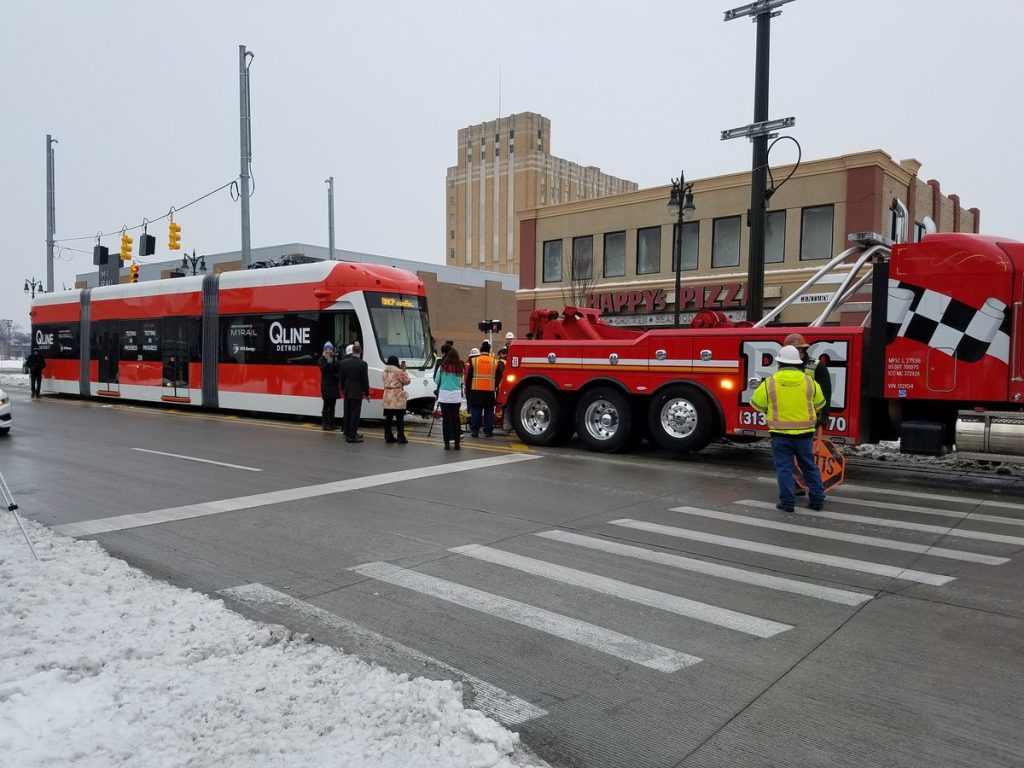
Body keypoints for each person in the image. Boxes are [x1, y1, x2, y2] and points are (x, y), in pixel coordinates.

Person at [751, 344, 827, 513]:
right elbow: (820, 404)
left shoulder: (770, 383)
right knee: (809, 466)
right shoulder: (810, 382)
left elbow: (756, 403)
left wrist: (770, 410)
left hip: (780, 434)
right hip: (805, 434)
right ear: (798, 363)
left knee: (784, 468)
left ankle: (787, 502)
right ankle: (817, 500)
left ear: (779, 363)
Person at [784, 333, 832, 428]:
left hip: (809, 419)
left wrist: (824, 415)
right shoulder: (784, 365)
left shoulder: (817, 366)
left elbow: (826, 392)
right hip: (787, 418)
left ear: (802, 349)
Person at [433, 347, 464, 450]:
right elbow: (461, 382)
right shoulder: (460, 368)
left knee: (446, 420)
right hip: (456, 396)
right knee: (456, 419)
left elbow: (437, 381)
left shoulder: (442, 368)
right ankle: (457, 443)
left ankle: (447, 443)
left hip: (445, 396)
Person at [339, 341, 370, 443]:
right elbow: (364, 380)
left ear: (352, 351)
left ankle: (347, 432)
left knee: (347, 413)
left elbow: (341, 378)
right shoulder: (363, 364)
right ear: (360, 352)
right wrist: (367, 393)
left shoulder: (344, 363)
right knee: (355, 414)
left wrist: (343, 388)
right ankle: (352, 436)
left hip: (347, 391)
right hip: (357, 392)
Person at [465, 341, 497, 437]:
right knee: (489, 411)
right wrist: (495, 386)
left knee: (476, 411)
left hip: (476, 390)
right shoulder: (494, 362)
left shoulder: (474, 361)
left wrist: (468, 391)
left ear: (481, 350)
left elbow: (469, 377)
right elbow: (499, 377)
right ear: (489, 351)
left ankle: (475, 430)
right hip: (489, 391)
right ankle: (488, 431)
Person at [382, 355, 410, 444]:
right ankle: (401, 437)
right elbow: (407, 381)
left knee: (388, 418)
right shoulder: (399, 371)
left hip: (387, 395)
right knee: (399, 418)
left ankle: (388, 436)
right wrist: (404, 371)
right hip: (397, 396)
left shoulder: (384, 371)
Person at [317, 342, 341, 431]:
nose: (328, 351)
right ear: (324, 350)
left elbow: (338, 367)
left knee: (332, 406)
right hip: (326, 386)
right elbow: (323, 369)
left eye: (330, 349)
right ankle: (325, 424)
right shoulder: (321, 359)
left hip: (333, 385)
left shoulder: (334, 358)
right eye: (327, 349)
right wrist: (328, 362)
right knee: (326, 406)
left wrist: (333, 364)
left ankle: (332, 423)